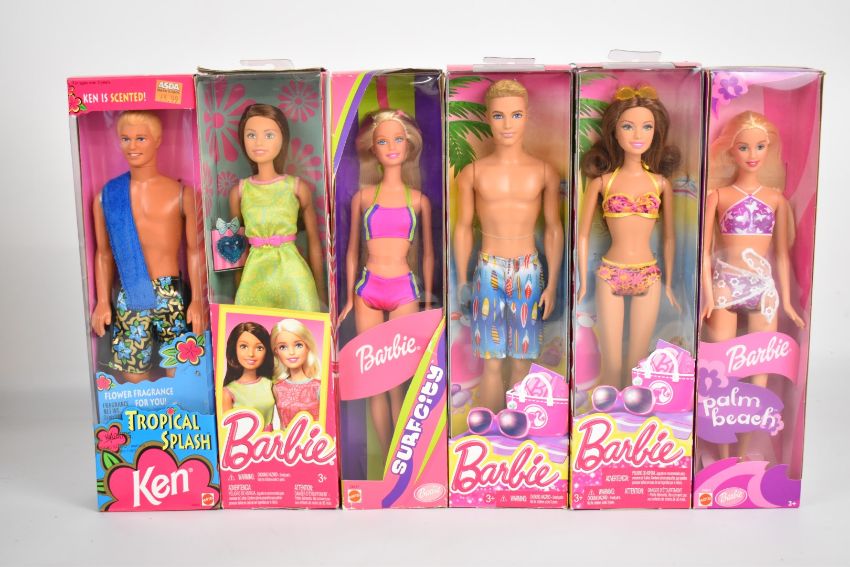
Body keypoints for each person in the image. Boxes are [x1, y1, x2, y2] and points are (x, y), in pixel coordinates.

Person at [453, 79, 563, 412]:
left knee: (521, 360)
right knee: (491, 361)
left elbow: (554, 228)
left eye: (516, 115)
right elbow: (462, 228)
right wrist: (462, 280)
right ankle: (487, 432)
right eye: (499, 116)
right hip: (488, 269)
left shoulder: (543, 172)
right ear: (487, 117)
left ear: (527, 116)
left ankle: (517, 432)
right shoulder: (473, 173)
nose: (507, 125)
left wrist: (552, 285)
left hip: (528, 271)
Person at [339, 108, 434, 453]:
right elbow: (352, 250)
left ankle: (401, 457)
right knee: (375, 383)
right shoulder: (363, 198)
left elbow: (428, 254)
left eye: (398, 139)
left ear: (409, 145)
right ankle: (386, 453)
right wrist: (348, 299)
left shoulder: (419, 201)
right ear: (372, 148)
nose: (391, 147)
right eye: (383, 141)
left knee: (398, 382)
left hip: (405, 289)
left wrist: (427, 300)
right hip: (367, 289)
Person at [91, 111, 207, 383]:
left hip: (171, 294)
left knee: (181, 369)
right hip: (131, 292)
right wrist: (102, 302)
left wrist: (198, 300)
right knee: (133, 376)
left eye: (140, 138)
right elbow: (103, 254)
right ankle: (143, 412)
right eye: (125, 139)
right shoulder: (107, 196)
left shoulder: (182, 194)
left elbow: (195, 250)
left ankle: (181, 410)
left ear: (157, 140)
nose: (132, 146)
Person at [577, 85, 680, 388]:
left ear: (656, 132)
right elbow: (582, 236)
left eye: (647, 126)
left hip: (648, 274)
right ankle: (605, 414)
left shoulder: (660, 184)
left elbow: (670, 238)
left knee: (638, 362)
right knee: (611, 365)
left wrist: (670, 284)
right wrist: (583, 282)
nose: (638, 134)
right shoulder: (603, 182)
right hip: (610, 273)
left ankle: (632, 414)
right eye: (628, 126)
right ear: (614, 131)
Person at [230, 103, 324, 310]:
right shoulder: (240, 191)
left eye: (269, 135)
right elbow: (235, 247)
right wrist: (237, 287)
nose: (259, 142)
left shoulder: (296, 187)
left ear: (283, 138)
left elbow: (314, 243)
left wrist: (322, 293)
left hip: (292, 274)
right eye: (251, 135)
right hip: (255, 275)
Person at [221, 322, 275, 430]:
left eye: (259, 348)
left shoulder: (270, 384)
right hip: (243, 439)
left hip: (272, 439)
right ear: (234, 349)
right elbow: (227, 430)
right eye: (244, 346)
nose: (251, 354)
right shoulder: (229, 391)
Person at [270, 318, 322, 426]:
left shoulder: (318, 386)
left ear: (307, 347)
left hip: (314, 436)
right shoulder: (277, 388)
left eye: (298, 345)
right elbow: (281, 424)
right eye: (283, 347)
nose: (291, 352)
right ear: (276, 351)